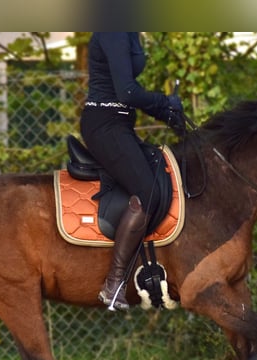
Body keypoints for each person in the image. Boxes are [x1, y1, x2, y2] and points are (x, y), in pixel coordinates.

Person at [80, 32, 185, 311]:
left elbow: (128, 93)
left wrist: (166, 114)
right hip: (104, 125)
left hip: (121, 125)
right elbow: (127, 91)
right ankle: (113, 284)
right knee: (147, 192)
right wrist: (164, 102)